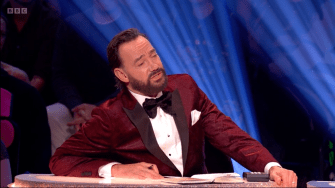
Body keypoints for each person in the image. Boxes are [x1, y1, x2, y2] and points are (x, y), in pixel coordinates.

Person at [50, 28, 298, 187]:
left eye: (153, 55)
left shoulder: (186, 87)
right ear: (122, 74)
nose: (154, 65)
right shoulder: (110, 115)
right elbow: (61, 160)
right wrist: (117, 169)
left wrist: (272, 167)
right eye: (141, 62)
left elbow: (231, 136)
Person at [1, 0, 59, 105]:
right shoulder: (4, 13)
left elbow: (40, 77)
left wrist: (19, 101)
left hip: (33, 99)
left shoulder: (50, 19)